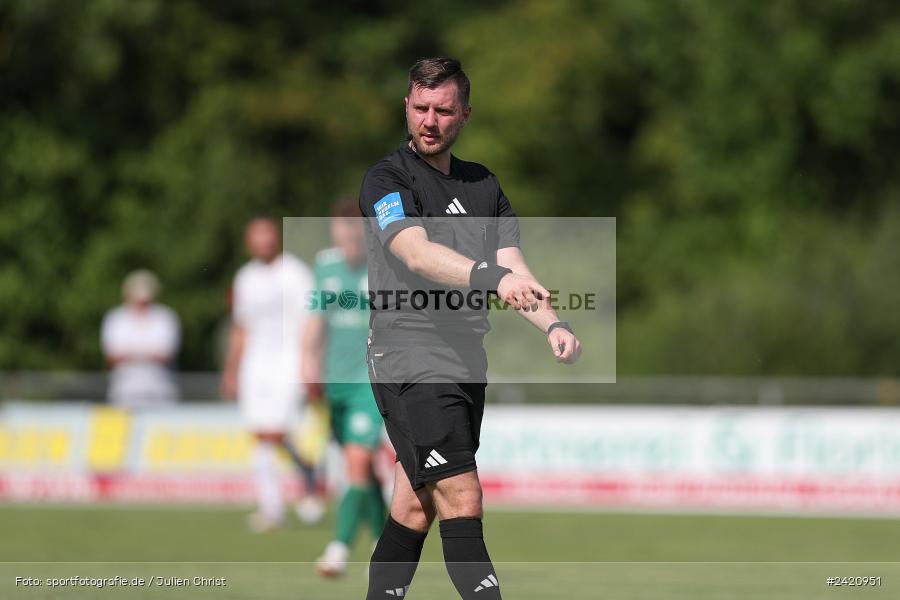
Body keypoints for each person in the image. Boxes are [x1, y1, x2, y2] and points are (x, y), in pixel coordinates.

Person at [359, 58, 582, 599]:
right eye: (419, 108)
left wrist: (551, 322)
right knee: (462, 497)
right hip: (408, 354)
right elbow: (413, 252)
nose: (429, 120)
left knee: (414, 507)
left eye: (442, 110)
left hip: (464, 361)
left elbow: (514, 267)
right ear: (406, 108)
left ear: (464, 115)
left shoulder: (484, 185)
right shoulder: (388, 178)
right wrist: (492, 277)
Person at [221, 217, 325, 531]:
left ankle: (307, 475)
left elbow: (313, 319)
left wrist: (311, 363)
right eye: (256, 235)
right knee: (260, 436)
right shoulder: (245, 278)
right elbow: (241, 328)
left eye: (267, 233)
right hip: (256, 364)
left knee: (275, 433)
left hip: (288, 359)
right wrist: (231, 370)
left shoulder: (294, 273)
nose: (262, 240)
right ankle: (272, 507)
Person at [303, 200, 387, 577]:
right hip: (334, 382)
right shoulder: (326, 265)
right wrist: (308, 366)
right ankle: (386, 540)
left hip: (371, 381)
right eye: (342, 232)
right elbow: (315, 320)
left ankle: (338, 549)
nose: (349, 239)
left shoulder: (387, 264)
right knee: (362, 468)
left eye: (355, 231)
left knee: (356, 462)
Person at [101, 269, 180, 409]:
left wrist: (130, 354)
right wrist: (147, 353)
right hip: (124, 391)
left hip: (160, 390)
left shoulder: (165, 317)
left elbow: (166, 353)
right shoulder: (116, 318)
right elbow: (111, 356)